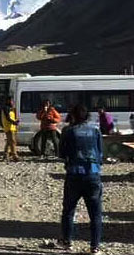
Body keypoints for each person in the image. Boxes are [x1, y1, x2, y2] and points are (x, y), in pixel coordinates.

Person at [57, 104, 103, 254]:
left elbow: (61, 153)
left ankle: (67, 242)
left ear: (73, 116)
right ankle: (95, 246)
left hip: (74, 175)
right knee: (95, 213)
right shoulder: (95, 130)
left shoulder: (68, 131)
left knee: (69, 210)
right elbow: (100, 152)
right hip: (93, 174)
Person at [1, 98, 20, 162]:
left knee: (9, 141)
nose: (12, 102)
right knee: (12, 141)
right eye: (11, 101)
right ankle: (15, 156)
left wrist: (15, 121)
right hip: (8, 127)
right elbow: (8, 118)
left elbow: (11, 117)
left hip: (12, 127)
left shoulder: (11, 108)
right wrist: (14, 122)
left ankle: (5, 155)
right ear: (8, 101)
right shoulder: (6, 108)